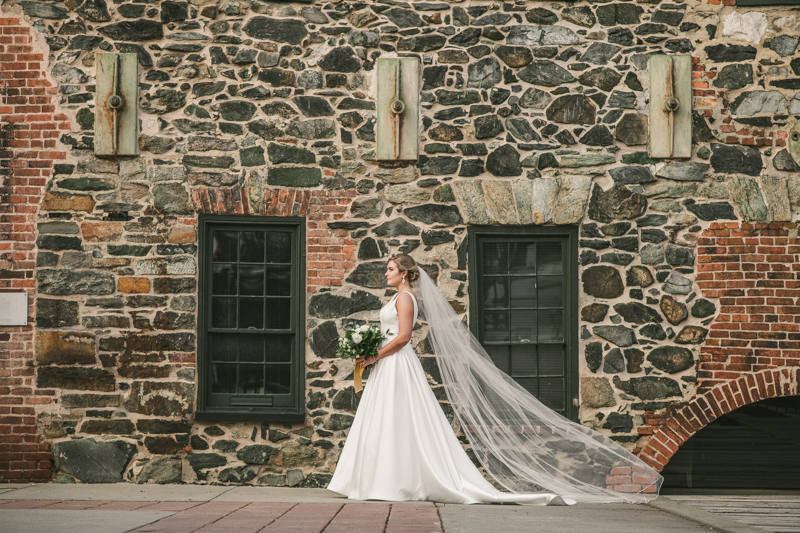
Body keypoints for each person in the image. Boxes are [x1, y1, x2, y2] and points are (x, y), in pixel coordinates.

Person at [327, 254, 662, 505]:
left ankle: (392, 481)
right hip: (390, 364)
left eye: (390, 269)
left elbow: (401, 338)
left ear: (403, 273)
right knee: (388, 419)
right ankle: (380, 479)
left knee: (399, 418)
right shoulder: (398, 296)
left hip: (397, 362)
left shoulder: (404, 297)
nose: (385, 273)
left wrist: (374, 355)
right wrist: (371, 350)